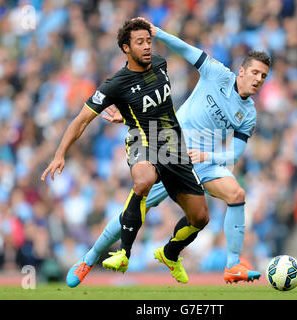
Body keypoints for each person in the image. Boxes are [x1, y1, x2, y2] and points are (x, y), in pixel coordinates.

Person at [66, 17, 270, 287]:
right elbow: (187, 50)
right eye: (254, 72)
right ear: (241, 71)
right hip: (171, 149)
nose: (258, 79)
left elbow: (233, 155)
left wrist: (208, 156)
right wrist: (158, 32)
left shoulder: (249, 115)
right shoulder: (218, 73)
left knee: (236, 195)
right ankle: (88, 259)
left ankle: (231, 265)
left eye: (263, 76)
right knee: (138, 206)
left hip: (204, 161)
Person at [41, 19, 209, 285]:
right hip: (141, 140)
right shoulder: (115, 84)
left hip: (174, 147)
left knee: (200, 217)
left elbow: (152, 104)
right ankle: (114, 254)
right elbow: (81, 120)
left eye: (148, 41)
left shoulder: (161, 63)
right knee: (143, 180)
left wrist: (128, 114)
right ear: (125, 48)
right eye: (139, 42)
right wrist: (60, 153)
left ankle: (170, 253)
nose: (146, 46)